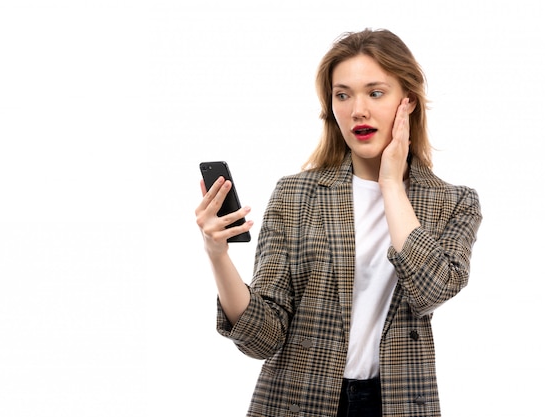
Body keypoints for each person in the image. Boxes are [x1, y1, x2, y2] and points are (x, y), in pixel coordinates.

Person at [195, 28, 482, 417]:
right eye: (342, 95)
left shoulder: (453, 202)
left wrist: (391, 185)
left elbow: (430, 291)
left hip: (397, 404)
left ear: (408, 102)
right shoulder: (295, 195)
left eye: (375, 93)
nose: (357, 110)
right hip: (298, 401)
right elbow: (262, 338)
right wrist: (217, 255)